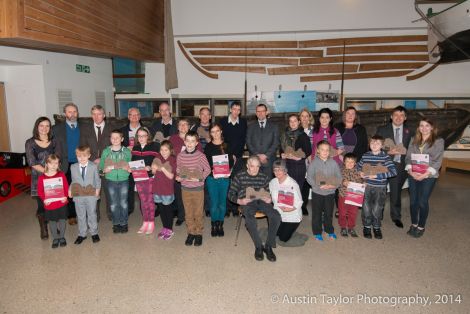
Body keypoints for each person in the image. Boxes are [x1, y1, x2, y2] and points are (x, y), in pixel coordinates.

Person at [228, 155, 281, 262]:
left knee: (275, 216)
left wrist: (269, 198)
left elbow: (268, 192)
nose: (255, 169)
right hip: (246, 202)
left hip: (261, 201)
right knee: (250, 221)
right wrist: (240, 201)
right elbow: (230, 194)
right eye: (252, 166)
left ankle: (268, 246)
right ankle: (258, 246)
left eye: (257, 166)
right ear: (248, 166)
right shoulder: (240, 176)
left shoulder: (264, 177)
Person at [405, 118, 444, 238]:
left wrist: (424, 174)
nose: (424, 128)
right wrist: (411, 171)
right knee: (413, 202)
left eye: (427, 125)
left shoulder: (438, 141)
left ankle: (421, 226)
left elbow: (437, 161)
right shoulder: (414, 139)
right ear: (418, 127)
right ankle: (414, 223)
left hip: (429, 175)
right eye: (421, 125)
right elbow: (408, 157)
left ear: (432, 127)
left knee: (422, 201)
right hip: (413, 174)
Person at [376, 106, 414, 229]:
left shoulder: (410, 131)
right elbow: (375, 146)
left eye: (401, 115)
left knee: (396, 193)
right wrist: (388, 151)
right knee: (381, 192)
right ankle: (378, 215)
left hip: (399, 166)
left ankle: (396, 216)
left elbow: (413, 149)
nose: (398, 118)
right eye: (396, 115)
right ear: (391, 116)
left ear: (405, 118)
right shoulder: (382, 129)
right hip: (384, 165)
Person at [25, 116, 61, 240]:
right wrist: (46, 172)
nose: (44, 128)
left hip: (53, 179)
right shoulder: (30, 142)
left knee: (53, 205)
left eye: (47, 126)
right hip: (39, 179)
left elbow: (58, 158)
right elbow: (32, 162)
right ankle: (43, 228)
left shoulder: (55, 141)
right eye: (41, 125)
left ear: (50, 128)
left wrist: (52, 173)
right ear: (37, 127)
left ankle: (53, 225)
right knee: (42, 205)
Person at [357, 135, 397, 239]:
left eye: (377, 143)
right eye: (372, 143)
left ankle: (376, 227)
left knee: (377, 208)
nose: (374, 145)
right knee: (366, 208)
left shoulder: (385, 157)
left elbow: (393, 172)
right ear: (369, 145)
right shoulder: (365, 155)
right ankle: (366, 226)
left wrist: (376, 175)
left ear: (382, 145)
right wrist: (360, 173)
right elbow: (358, 167)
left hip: (380, 187)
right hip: (367, 186)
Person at [176, 131, 211, 247]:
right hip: (185, 189)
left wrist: (200, 179)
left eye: (192, 141)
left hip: (198, 189)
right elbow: (178, 169)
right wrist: (179, 176)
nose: (190, 143)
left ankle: (199, 233)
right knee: (188, 212)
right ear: (184, 141)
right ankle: (191, 232)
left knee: (198, 212)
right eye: (188, 141)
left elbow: (208, 170)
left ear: (196, 143)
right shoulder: (180, 156)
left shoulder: (201, 156)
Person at [79, 105, 114, 221]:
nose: (96, 116)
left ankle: (111, 214)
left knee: (109, 192)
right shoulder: (85, 129)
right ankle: (95, 216)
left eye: (99, 114)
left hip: (108, 164)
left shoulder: (112, 128)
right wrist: (93, 159)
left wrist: (102, 160)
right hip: (91, 164)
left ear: (104, 115)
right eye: (94, 114)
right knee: (94, 193)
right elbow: (83, 147)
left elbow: (115, 146)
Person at [306, 140, 342, 241]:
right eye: (322, 150)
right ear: (318, 150)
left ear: (330, 151)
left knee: (329, 212)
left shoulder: (334, 163)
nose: (325, 152)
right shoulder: (313, 163)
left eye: (327, 150)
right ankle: (317, 232)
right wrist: (317, 186)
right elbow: (309, 178)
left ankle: (329, 230)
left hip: (330, 193)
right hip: (317, 192)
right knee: (316, 213)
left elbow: (339, 178)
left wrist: (332, 186)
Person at [204, 124, 235, 237]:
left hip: (224, 178)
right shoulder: (208, 147)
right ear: (210, 134)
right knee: (213, 203)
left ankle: (220, 224)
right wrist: (213, 170)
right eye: (213, 131)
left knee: (222, 203)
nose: (215, 133)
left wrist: (228, 170)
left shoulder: (227, 145)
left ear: (221, 131)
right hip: (212, 179)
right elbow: (206, 164)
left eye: (217, 131)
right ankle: (213, 224)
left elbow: (231, 161)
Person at [170, 118, 202, 226]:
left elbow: (200, 156)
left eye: (185, 124)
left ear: (189, 126)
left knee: (192, 197)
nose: (183, 126)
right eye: (181, 124)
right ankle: (181, 216)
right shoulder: (173, 139)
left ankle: (193, 217)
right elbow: (168, 155)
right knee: (179, 196)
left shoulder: (194, 138)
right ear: (177, 127)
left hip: (192, 174)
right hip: (178, 173)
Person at [52, 103, 80, 225]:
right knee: (68, 190)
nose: (72, 114)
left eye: (74, 111)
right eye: (69, 112)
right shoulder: (56, 129)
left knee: (81, 188)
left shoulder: (84, 127)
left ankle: (82, 212)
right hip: (65, 164)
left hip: (81, 162)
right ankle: (71, 215)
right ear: (65, 114)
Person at [99, 129, 132, 233]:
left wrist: (129, 169)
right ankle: (116, 223)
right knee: (113, 203)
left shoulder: (127, 152)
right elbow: (101, 167)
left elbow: (130, 165)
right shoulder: (106, 151)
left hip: (124, 180)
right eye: (112, 137)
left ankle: (124, 223)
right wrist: (104, 170)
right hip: (110, 180)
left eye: (117, 138)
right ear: (110, 139)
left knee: (123, 203)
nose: (115, 139)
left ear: (122, 139)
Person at [69, 145, 101, 245]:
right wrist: (70, 190)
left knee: (92, 213)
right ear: (76, 156)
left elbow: (97, 180)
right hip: (78, 195)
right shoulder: (73, 167)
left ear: (89, 156)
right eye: (79, 156)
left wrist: (98, 190)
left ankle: (94, 232)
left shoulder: (93, 166)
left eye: (84, 156)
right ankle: (82, 234)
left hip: (91, 194)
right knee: (80, 214)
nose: (82, 158)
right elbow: (73, 181)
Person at [219, 102, 247, 216]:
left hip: (239, 158)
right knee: (225, 183)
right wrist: (230, 155)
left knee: (237, 183)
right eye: (234, 109)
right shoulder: (223, 122)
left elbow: (243, 140)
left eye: (238, 110)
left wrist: (236, 155)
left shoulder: (243, 123)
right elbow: (220, 140)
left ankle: (235, 208)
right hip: (225, 157)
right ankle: (226, 208)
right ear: (230, 109)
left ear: (240, 111)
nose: (236, 111)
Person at [131, 127, 160, 235]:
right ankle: (145, 221)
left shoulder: (155, 146)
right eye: (139, 136)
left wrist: (151, 167)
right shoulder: (135, 147)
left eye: (144, 135)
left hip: (150, 177)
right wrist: (131, 168)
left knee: (149, 200)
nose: (141, 138)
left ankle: (151, 222)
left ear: (148, 136)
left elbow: (158, 160)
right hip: (139, 178)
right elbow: (133, 161)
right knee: (143, 201)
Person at [37, 154, 69, 249]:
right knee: (52, 221)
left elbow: (66, 187)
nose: (54, 165)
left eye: (56, 163)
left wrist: (65, 196)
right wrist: (44, 199)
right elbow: (40, 191)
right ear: (46, 164)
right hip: (50, 204)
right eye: (51, 163)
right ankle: (55, 238)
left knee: (62, 220)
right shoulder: (42, 178)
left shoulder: (61, 175)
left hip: (61, 202)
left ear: (59, 164)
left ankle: (62, 237)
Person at [269, 159, 303, 242]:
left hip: (292, 215)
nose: (277, 172)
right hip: (279, 214)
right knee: (276, 234)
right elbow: (271, 197)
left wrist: (291, 209)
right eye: (275, 170)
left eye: (280, 169)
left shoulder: (292, 184)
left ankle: (293, 227)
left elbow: (299, 202)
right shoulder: (272, 182)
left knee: (283, 238)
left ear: (285, 170)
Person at [151, 140, 177, 240]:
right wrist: (154, 168)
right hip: (157, 188)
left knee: (168, 210)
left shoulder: (172, 160)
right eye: (161, 149)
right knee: (161, 209)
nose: (163, 152)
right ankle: (165, 227)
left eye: (166, 150)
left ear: (170, 150)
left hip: (167, 189)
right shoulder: (158, 158)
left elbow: (171, 176)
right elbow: (153, 172)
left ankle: (170, 229)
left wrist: (162, 168)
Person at [246, 103, 280, 178]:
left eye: (262, 111)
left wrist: (266, 155)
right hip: (254, 161)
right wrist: (258, 155)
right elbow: (248, 143)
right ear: (256, 113)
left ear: (266, 112)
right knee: (254, 184)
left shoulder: (274, 127)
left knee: (267, 185)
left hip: (269, 161)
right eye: (258, 111)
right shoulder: (250, 127)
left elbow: (276, 143)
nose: (260, 113)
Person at [280, 113, 312, 191]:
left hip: (298, 166)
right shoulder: (284, 135)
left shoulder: (303, 135)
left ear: (299, 122)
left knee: (296, 190)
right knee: (287, 190)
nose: (293, 123)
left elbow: (308, 151)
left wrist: (299, 157)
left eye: (295, 121)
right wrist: (282, 154)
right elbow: (281, 148)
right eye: (291, 121)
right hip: (287, 164)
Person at [121, 107, 143, 216]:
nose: (134, 117)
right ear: (128, 116)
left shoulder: (146, 130)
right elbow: (117, 146)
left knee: (142, 186)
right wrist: (126, 148)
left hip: (140, 161)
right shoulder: (122, 130)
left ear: (140, 116)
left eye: (136, 114)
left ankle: (145, 209)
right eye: (132, 115)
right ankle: (129, 209)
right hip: (128, 162)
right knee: (129, 186)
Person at [338, 153, 363, 237]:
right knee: (342, 212)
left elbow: (361, 182)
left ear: (355, 163)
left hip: (354, 197)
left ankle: (351, 227)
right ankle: (343, 227)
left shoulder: (358, 173)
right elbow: (337, 181)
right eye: (347, 161)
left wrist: (364, 184)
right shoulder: (340, 171)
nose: (349, 164)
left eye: (352, 162)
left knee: (353, 213)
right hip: (343, 196)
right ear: (344, 162)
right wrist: (343, 182)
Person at [299, 108, 314, 216]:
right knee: (299, 183)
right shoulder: (296, 130)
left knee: (307, 183)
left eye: (306, 116)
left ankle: (304, 205)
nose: (304, 118)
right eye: (302, 116)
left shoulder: (314, 131)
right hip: (299, 161)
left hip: (311, 160)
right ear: (299, 118)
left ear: (309, 118)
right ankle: (298, 205)